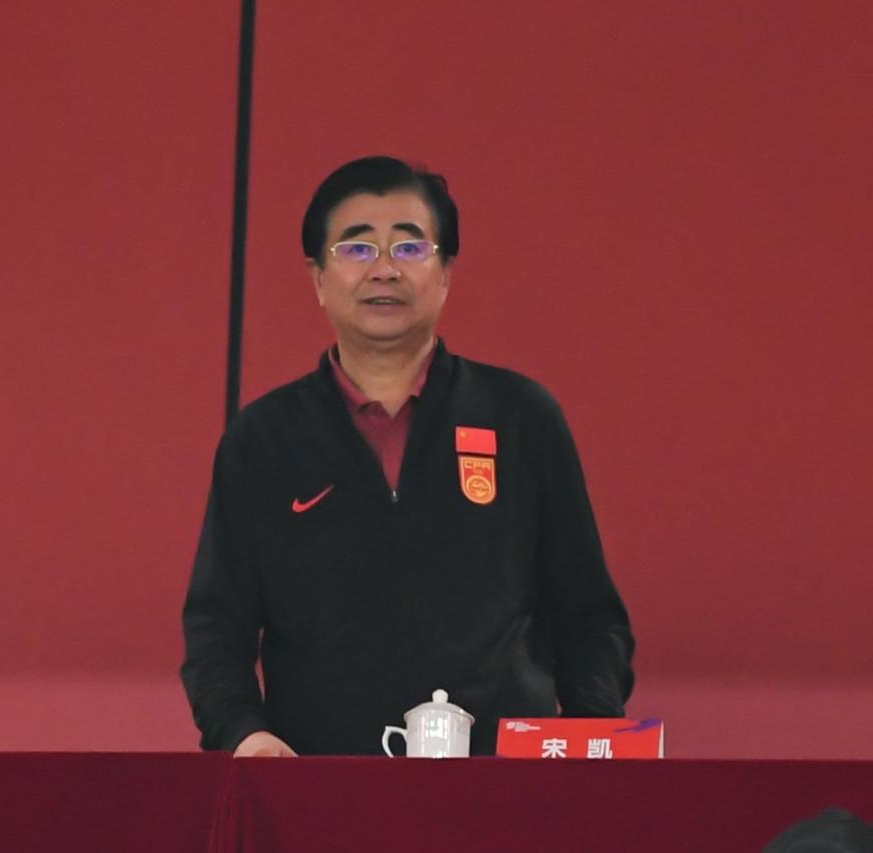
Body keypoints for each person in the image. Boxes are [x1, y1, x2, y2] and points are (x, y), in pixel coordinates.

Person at [180, 156, 634, 756]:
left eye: (411, 248)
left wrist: (588, 741)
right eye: (357, 248)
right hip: (318, 785)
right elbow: (216, 631)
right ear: (318, 280)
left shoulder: (522, 418)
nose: (385, 269)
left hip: (503, 787)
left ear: (445, 274)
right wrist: (246, 734)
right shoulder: (262, 440)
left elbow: (589, 617)